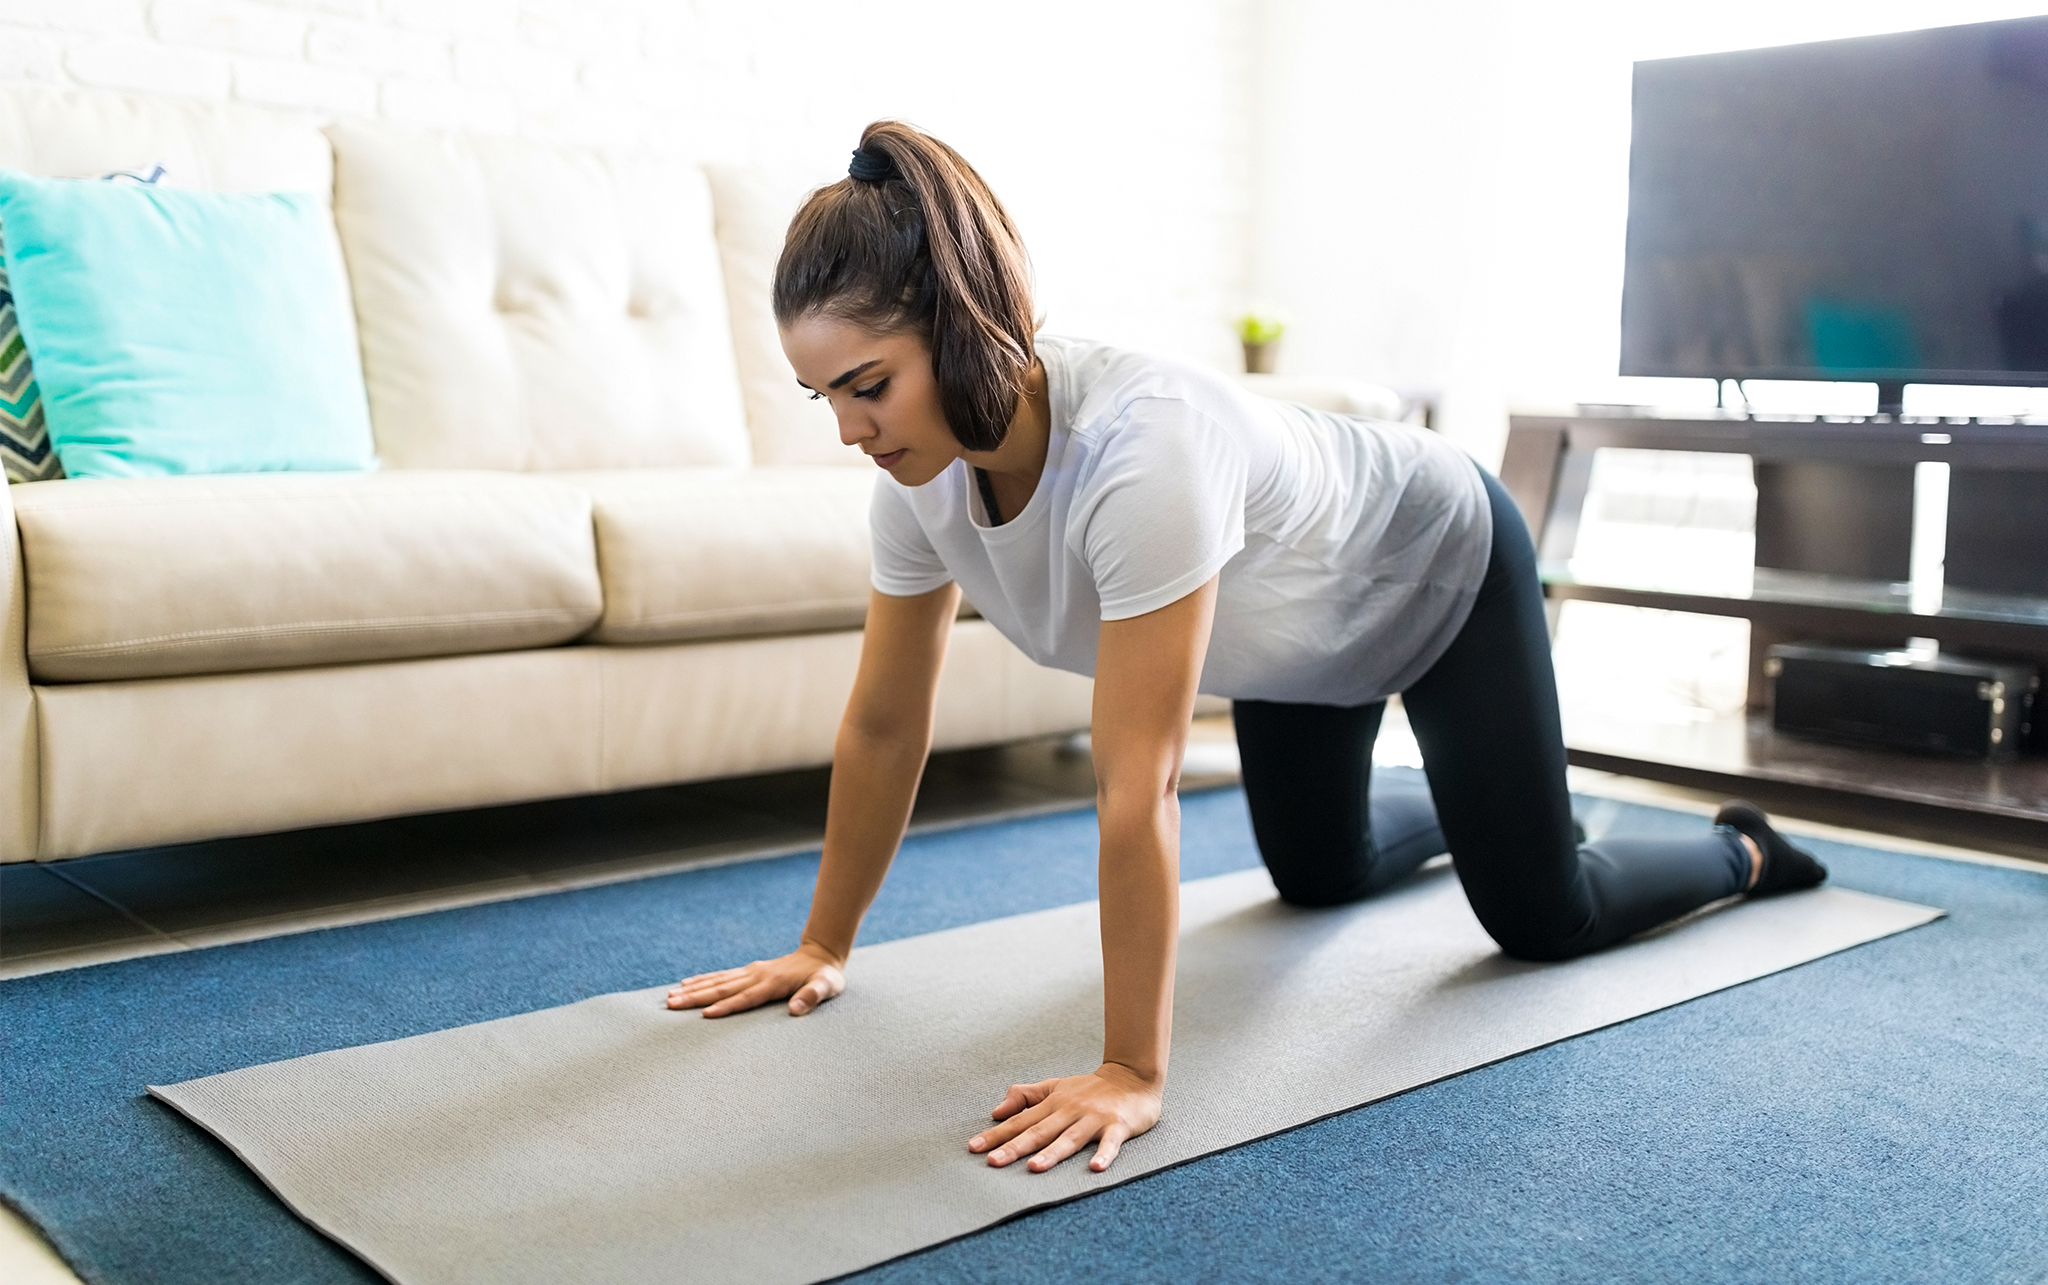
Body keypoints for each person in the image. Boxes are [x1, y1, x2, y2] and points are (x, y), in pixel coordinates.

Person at [666, 120, 1827, 1177]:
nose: (848, 431)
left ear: (962, 327)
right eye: (822, 396)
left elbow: (1140, 784)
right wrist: (823, 943)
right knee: (1313, 877)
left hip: (1429, 562)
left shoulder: (1140, 449)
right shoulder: (915, 488)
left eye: (867, 386)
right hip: (1292, 644)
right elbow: (881, 720)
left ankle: (1739, 851)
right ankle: (1505, 803)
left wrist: (1131, 1070)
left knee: (1543, 917)